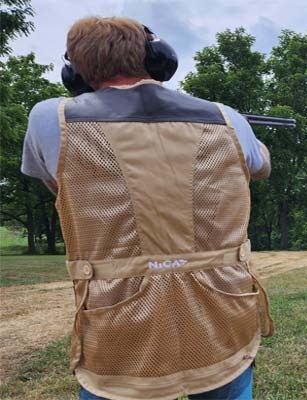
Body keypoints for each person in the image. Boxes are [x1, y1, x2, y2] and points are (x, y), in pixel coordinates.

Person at [20, 16, 274, 400]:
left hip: (117, 318)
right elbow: (261, 167)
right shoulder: (228, 118)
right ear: (158, 58)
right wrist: (248, 134)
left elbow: (57, 183)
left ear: (74, 71)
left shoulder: (50, 118)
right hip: (223, 310)